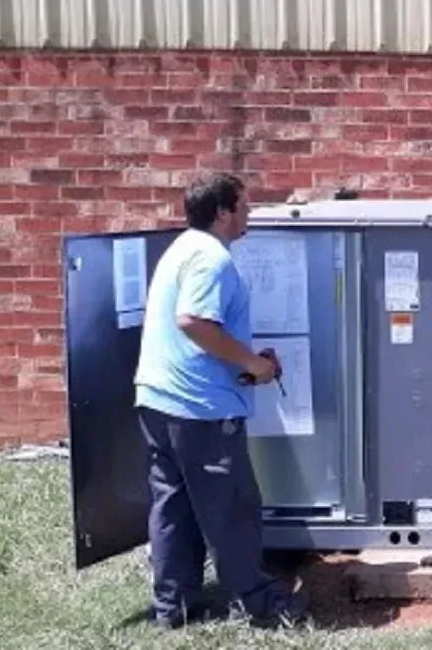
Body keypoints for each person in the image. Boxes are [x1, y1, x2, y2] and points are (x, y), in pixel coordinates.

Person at [132, 171, 308, 630]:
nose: (249, 213)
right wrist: (251, 362)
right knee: (232, 506)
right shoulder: (212, 258)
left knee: (173, 505)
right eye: (244, 206)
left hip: (158, 400)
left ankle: (175, 606)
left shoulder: (181, 248)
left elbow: (196, 329)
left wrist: (247, 364)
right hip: (200, 408)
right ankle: (260, 604)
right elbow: (193, 320)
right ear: (222, 212)